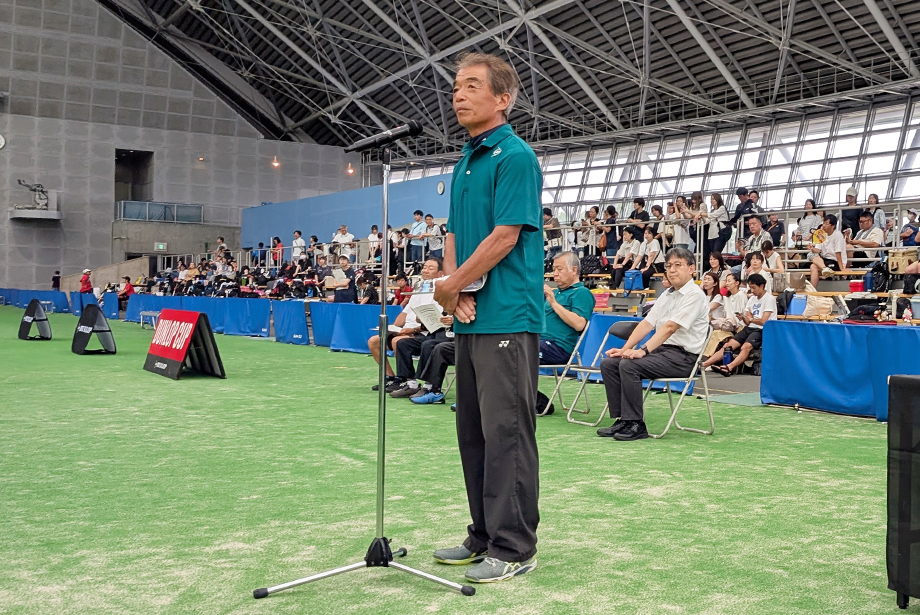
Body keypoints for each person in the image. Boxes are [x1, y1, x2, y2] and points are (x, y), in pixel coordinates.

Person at [431, 52, 542, 583]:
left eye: (472, 85)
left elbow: (506, 236)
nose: (458, 94)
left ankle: (515, 546)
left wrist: (452, 285)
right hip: (471, 315)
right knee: (472, 432)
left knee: (507, 434)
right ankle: (482, 534)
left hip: (508, 315)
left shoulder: (515, 156)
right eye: (456, 86)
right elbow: (454, 235)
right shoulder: (464, 161)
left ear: (503, 98)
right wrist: (456, 291)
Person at [596, 247, 710, 441]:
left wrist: (642, 350)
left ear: (692, 268)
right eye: (669, 266)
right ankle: (623, 419)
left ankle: (636, 424)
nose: (672, 270)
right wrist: (625, 349)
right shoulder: (667, 294)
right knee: (610, 363)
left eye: (678, 265)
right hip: (662, 353)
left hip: (683, 358)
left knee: (629, 365)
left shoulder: (695, 295)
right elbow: (647, 324)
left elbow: (670, 327)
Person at [368, 257, 444, 391]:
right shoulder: (419, 287)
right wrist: (395, 328)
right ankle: (391, 377)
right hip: (406, 331)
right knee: (374, 341)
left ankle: (408, 380)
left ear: (440, 274)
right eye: (425, 267)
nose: (425, 270)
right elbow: (404, 314)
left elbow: (433, 321)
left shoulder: (439, 291)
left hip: (421, 332)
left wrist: (410, 330)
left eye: (430, 268)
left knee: (398, 341)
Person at [704, 273, 775, 376]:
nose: (752, 291)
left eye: (754, 288)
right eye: (750, 288)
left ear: (762, 286)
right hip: (749, 327)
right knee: (728, 345)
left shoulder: (769, 299)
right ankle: (705, 364)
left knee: (745, 347)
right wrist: (745, 318)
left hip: (761, 329)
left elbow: (764, 321)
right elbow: (747, 320)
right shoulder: (752, 299)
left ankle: (729, 367)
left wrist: (750, 319)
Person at [540, 252, 595, 365]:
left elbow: (579, 324)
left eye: (559, 269)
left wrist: (554, 303)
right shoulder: (554, 293)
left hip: (558, 347)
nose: (555, 274)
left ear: (574, 270)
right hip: (540, 341)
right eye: (554, 269)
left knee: (518, 349)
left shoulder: (581, 293)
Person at [809, 213, 847, 287]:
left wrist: (842, 268)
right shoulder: (822, 235)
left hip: (835, 261)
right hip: (824, 261)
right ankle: (825, 269)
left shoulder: (837, 235)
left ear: (833, 226)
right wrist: (812, 249)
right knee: (813, 259)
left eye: (826, 223)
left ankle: (812, 292)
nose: (824, 225)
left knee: (813, 267)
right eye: (823, 223)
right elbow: (817, 250)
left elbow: (838, 254)